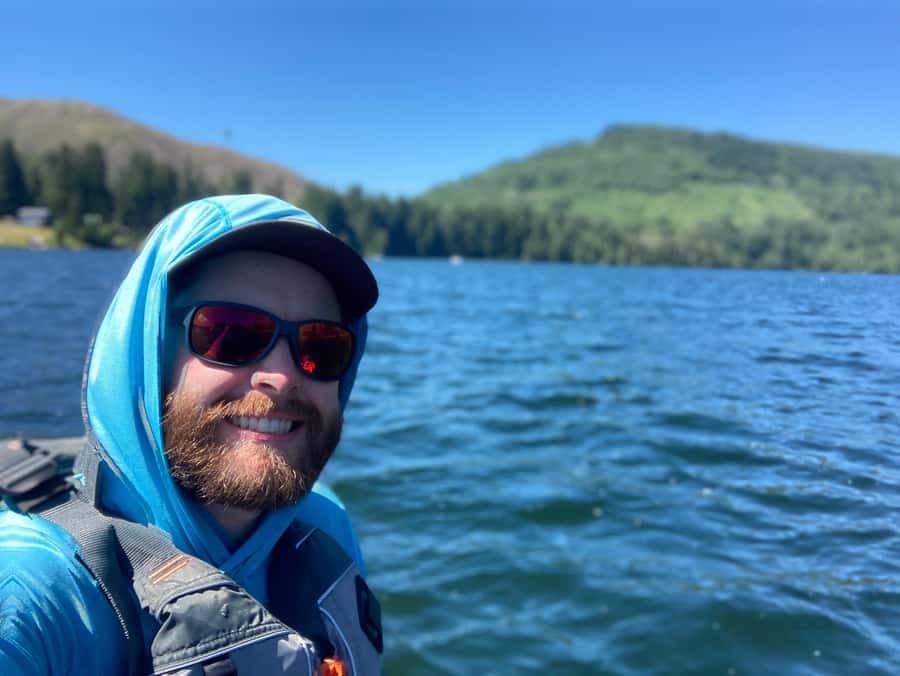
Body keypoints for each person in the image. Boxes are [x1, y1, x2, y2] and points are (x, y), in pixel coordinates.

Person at [0, 194, 383, 675]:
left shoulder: (327, 521)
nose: (282, 377)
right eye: (230, 331)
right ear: (147, 352)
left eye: (320, 347)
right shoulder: (30, 596)